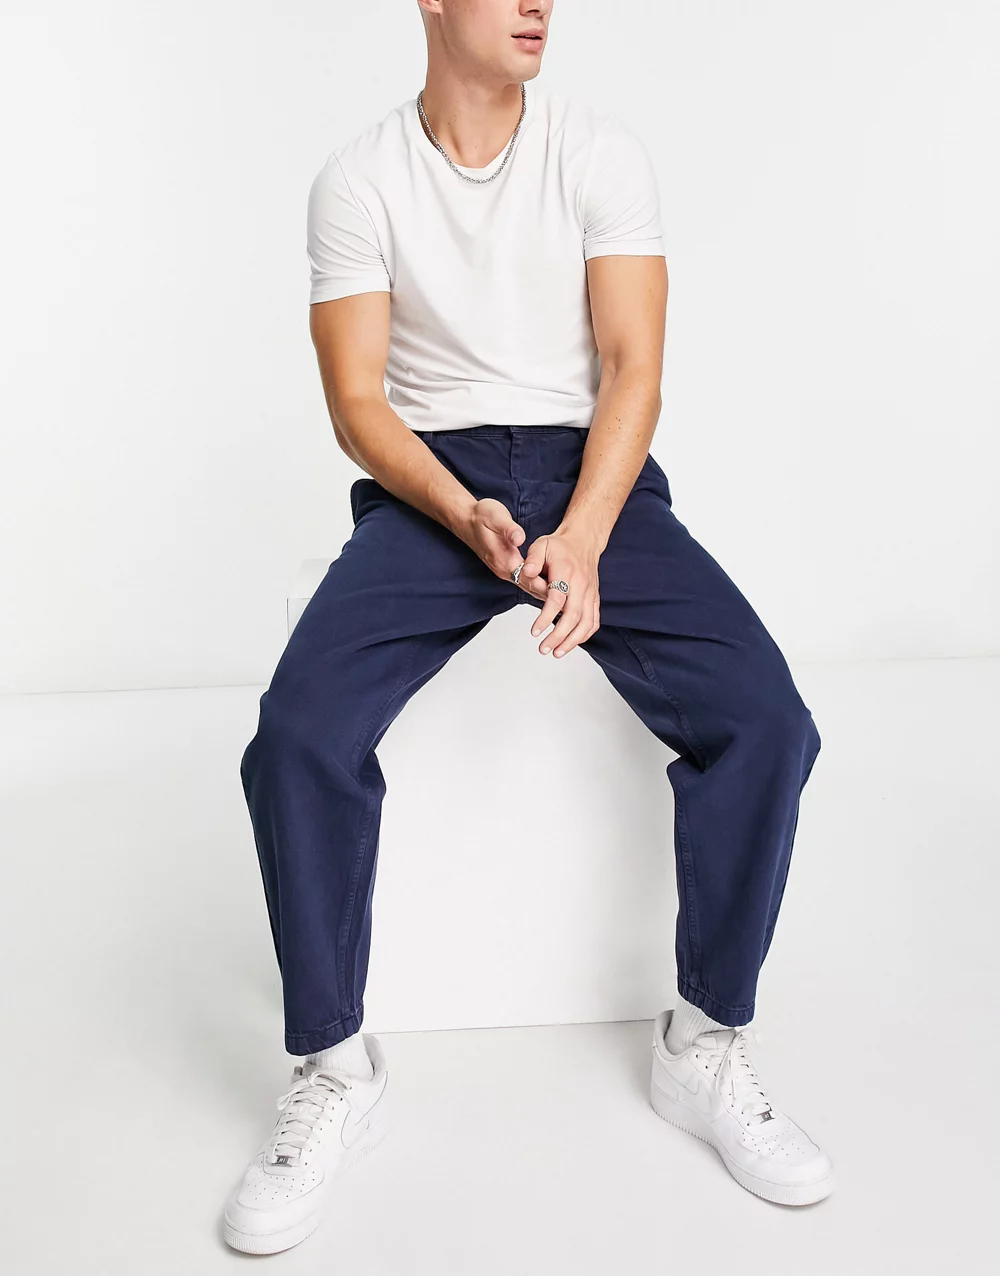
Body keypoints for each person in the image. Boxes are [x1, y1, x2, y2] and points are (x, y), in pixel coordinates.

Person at [221, 0, 832, 1255]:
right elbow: (356, 402)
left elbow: (634, 370)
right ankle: (335, 1066)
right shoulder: (359, 179)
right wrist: (460, 512)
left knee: (767, 721)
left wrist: (587, 534)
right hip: (433, 487)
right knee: (296, 735)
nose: (538, 3)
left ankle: (703, 1041)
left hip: (593, 475)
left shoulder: (598, 152)